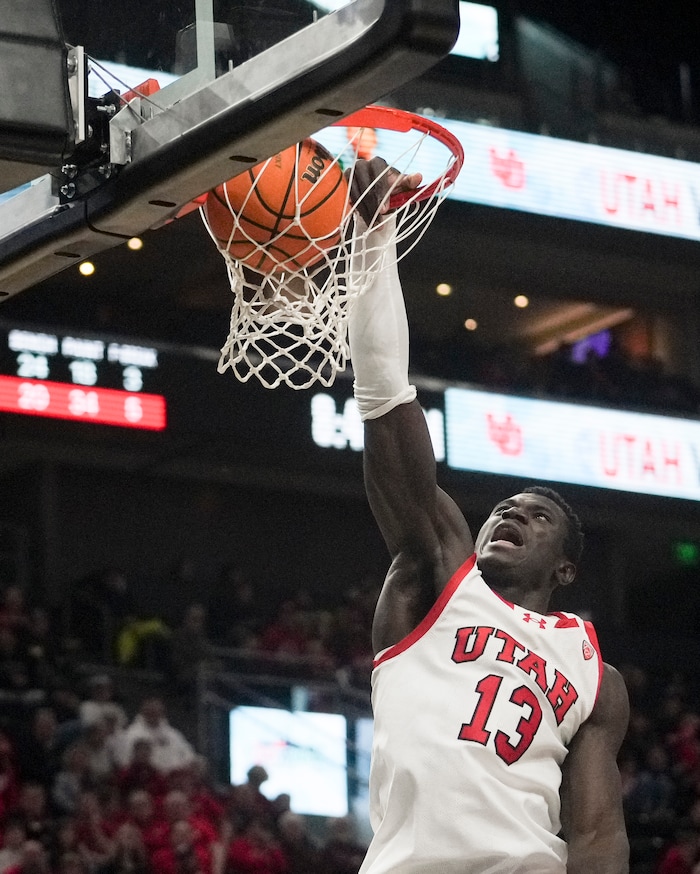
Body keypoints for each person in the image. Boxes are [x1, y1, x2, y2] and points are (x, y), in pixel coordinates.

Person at [344, 159, 631, 873]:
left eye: (536, 516)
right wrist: (371, 243)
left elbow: (596, 833)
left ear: (565, 566)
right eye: (504, 507)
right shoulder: (439, 573)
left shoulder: (597, 674)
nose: (511, 513)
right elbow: (387, 404)